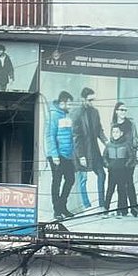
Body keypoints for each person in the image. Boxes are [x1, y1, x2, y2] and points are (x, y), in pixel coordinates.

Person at [73, 86, 106, 211]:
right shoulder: (76, 113)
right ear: (83, 99)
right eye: (90, 100)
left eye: (93, 100)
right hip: (83, 152)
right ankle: (86, 205)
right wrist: (81, 156)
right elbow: (76, 137)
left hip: (94, 151)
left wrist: (106, 141)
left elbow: (99, 130)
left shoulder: (95, 112)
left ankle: (101, 205)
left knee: (102, 174)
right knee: (83, 179)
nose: (92, 102)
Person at [45, 91, 75, 221]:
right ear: (62, 102)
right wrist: (55, 155)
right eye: (69, 103)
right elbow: (50, 136)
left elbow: (69, 136)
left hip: (67, 155)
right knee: (56, 182)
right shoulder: (53, 115)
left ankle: (62, 206)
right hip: (56, 155)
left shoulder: (66, 115)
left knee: (70, 179)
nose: (70, 106)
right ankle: (57, 211)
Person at [102, 124, 137, 218]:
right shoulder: (109, 145)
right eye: (113, 132)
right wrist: (108, 165)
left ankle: (121, 210)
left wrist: (126, 165)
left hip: (122, 172)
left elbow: (131, 156)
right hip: (112, 172)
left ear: (121, 133)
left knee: (121, 191)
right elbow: (104, 157)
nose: (115, 134)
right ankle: (106, 209)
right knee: (110, 190)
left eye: (117, 132)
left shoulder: (126, 144)